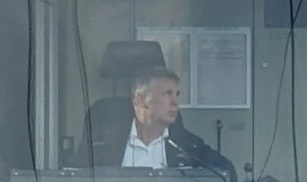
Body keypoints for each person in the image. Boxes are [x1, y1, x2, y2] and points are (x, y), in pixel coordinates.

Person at [91, 68, 230, 169]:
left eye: (177, 94)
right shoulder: (103, 145)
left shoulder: (189, 147)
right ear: (141, 99)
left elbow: (226, 172)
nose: (175, 102)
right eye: (167, 94)